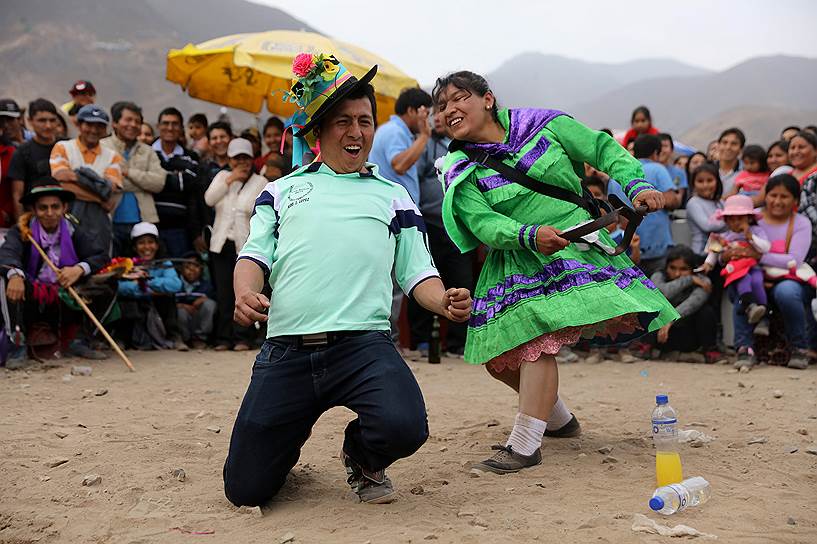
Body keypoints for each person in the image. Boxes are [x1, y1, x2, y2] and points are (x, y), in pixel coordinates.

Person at [223, 54, 472, 506]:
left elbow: (418, 271)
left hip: (363, 347)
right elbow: (253, 255)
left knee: (405, 426)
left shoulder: (392, 195)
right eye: (343, 121)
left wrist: (444, 301)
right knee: (246, 490)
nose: (356, 132)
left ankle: (361, 454)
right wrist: (245, 291)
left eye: (365, 121)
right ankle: (283, 443)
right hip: (287, 351)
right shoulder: (281, 190)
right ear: (317, 131)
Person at [433, 70, 677, 474]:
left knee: (536, 340)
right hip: (516, 256)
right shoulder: (458, 166)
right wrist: (528, 235)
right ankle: (559, 420)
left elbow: (603, 150)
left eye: (459, 98)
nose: (450, 109)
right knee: (498, 358)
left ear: (488, 99)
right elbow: (479, 222)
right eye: (442, 106)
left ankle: (525, 444)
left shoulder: (542, 123)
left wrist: (635, 185)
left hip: (575, 248)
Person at [0, 181, 111, 369]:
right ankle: (17, 345)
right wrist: (15, 274)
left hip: (66, 292)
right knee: (7, 280)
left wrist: (78, 269)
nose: (50, 213)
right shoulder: (22, 231)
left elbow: (100, 255)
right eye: (43, 208)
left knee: (107, 283)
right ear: (34, 210)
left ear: (64, 208)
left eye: (55, 207)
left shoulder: (75, 229)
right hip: (31, 295)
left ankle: (79, 340)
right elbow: (7, 254)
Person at [369, 87, 434, 344]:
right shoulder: (396, 131)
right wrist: (425, 136)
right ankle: (389, 342)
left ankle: (388, 340)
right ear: (412, 111)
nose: (427, 119)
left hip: (390, 213)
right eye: (425, 113)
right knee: (393, 284)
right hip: (392, 216)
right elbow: (399, 163)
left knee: (393, 282)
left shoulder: (393, 131)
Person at [407, 111, 475, 358]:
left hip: (459, 227)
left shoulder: (467, 148)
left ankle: (458, 343)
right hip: (431, 223)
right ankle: (422, 341)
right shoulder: (429, 145)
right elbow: (417, 173)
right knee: (425, 278)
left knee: (461, 281)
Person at [729, 175, 814, 370]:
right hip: (753, 275)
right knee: (744, 290)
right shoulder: (750, 216)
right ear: (765, 196)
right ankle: (744, 348)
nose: (777, 201)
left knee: (787, 292)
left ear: (795, 200)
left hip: (788, 278)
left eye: (784, 197)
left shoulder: (801, 223)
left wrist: (758, 257)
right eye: (773, 195)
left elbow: (794, 260)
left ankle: (799, 348)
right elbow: (732, 243)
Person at [204, 138, 267, 352]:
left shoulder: (261, 182)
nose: (242, 162)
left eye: (246, 158)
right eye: (237, 158)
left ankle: (243, 337)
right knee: (223, 293)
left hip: (246, 247)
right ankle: (223, 337)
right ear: (230, 160)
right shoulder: (222, 176)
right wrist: (230, 180)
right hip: (221, 244)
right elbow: (209, 200)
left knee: (244, 292)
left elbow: (259, 210)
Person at [49, 104, 123, 252]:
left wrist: (75, 177)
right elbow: (61, 184)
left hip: (99, 224)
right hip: (66, 217)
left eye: (99, 126)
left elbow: (110, 189)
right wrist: (99, 198)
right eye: (89, 124)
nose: (94, 130)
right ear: (79, 124)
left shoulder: (113, 156)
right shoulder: (62, 147)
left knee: (97, 262)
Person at [102, 102, 167, 256]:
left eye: (137, 121)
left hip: (143, 222)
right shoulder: (102, 147)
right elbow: (102, 182)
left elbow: (158, 183)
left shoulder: (148, 151)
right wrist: (142, 183)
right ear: (115, 123)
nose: (133, 125)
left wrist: (127, 172)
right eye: (128, 120)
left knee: (143, 271)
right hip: (110, 220)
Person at [701, 195, 770, 325]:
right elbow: (715, 251)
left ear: (749, 218)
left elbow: (765, 248)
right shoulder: (725, 236)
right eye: (731, 219)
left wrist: (750, 237)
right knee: (745, 279)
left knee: (757, 281)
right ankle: (750, 307)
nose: (736, 222)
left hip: (753, 267)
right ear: (726, 221)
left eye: (740, 218)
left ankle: (763, 314)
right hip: (735, 269)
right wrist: (708, 263)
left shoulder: (756, 231)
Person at [116, 222, 184, 350]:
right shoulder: (126, 264)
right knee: (126, 301)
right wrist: (143, 290)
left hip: (158, 308)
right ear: (135, 247)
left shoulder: (164, 262)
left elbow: (175, 284)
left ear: (157, 245)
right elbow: (119, 287)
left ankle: (174, 337)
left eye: (151, 242)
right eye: (141, 243)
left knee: (167, 298)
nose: (147, 247)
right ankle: (122, 340)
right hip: (136, 309)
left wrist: (146, 282)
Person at [650, 246, 721, 362]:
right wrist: (688, 279)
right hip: (662, 335)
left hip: (688, 334)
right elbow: (662, 293)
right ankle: (646, 348)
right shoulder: (659, 276)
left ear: (692, 269)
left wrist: (671, 319)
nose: (677, 273)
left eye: (683, 269)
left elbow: (693, 304)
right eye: (672, 268)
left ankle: (709, 351)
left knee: (706, 312)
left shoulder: (703, 281)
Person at [152, 107, 200, 257]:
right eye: (165, 123)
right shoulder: (146, 152)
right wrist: (175, 176)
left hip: (180, 229)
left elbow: (190, 186)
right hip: (150, 225)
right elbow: (145, 183)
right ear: (158, 126)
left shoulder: (191, 157)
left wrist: (156, 177)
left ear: (181, 128)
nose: (170, 128)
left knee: (180, 272)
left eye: (175, 124)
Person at [633, 134, 681, 277]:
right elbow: (671, 200)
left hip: (629, 247)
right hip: (657, 246)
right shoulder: (657, 169)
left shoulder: (617, 176)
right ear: (656, 153)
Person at [8, 99, 61, 220]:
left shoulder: (65, 147)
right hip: (34, 219)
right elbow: (17, 195)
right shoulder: (22, 153)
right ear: (30, 121)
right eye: (42, 120)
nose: (48, 125)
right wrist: (22, 229)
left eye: (52, 120)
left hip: (63, 219)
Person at [191, 121, 233, 253]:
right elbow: (195, 201)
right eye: (214, 138)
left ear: (231, 138)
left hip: (235, 232)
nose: (219, 141)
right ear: (209, 142)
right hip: (210, 231)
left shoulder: (242, 167)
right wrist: (197, 233)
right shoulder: (202, 168)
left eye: (223, 137)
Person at [175, 252, 216, 350]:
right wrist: (182, 305)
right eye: (188, 266)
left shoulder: (206, 286)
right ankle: (184, 340)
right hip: (183, 320)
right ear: (181, 269)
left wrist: (204, 299)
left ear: (202, 269)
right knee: (180, 312)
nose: (192, 270)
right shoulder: (176, 284)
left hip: (198, 318)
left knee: (210, 304)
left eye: (196, 266)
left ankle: (200, 339)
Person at [685, 164, 726, 255]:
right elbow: (707, 226)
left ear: (717, 181)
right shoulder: (693, 203)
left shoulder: (720, 202)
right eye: (700, 181)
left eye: (710, 180)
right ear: (693, 184)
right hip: (701, 254)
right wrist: (729, 221)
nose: (705, 185)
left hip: (719, 253)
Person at [793, 131, 817, 257]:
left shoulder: (814, 178)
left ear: (815, 151)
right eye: (792, 148)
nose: (796, 151)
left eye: (801, 147)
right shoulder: (786, 174)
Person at [657, 133, 688, 202]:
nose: (661, 150)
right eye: (659, 146)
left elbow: (678, 199)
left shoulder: (679, 172)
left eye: (665, 146)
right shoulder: (646, 169)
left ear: (672, 150)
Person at [716, 127, 745, 194]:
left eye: (734, 144)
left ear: (741, 149)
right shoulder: (708, 170)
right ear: (718, 145)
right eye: (724, 142)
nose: (728, 147)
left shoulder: (747, 171)